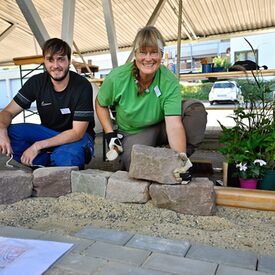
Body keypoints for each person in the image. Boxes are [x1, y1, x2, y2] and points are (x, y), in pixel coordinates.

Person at [96, 26, 207, 176]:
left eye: (154, 52)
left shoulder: (168, 80)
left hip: (162, 125)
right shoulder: (117, 77)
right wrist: (110, 133)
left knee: (195, 109)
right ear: (135, 53)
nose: (148, 58)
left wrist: (181, 159)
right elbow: (101, 103)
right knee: (134, 165)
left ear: (161, 54)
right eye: (143, 52)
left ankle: (173, 159)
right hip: (134, 131)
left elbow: (173, 124)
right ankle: (151, 157)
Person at [0, 38, 95, 169]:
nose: (55, 65)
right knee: (9, 132)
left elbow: (77, 132)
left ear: (69, 61)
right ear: (44, 61)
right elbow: (8, 112)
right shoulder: (36, 82)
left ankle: (52, 158)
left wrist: (37, 145)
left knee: (66, 158)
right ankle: (50, 158)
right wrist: (1, 129)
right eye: (50, 60)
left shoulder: (82, 86)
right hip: (47, 133)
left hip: (78, 136)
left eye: (61, 59)